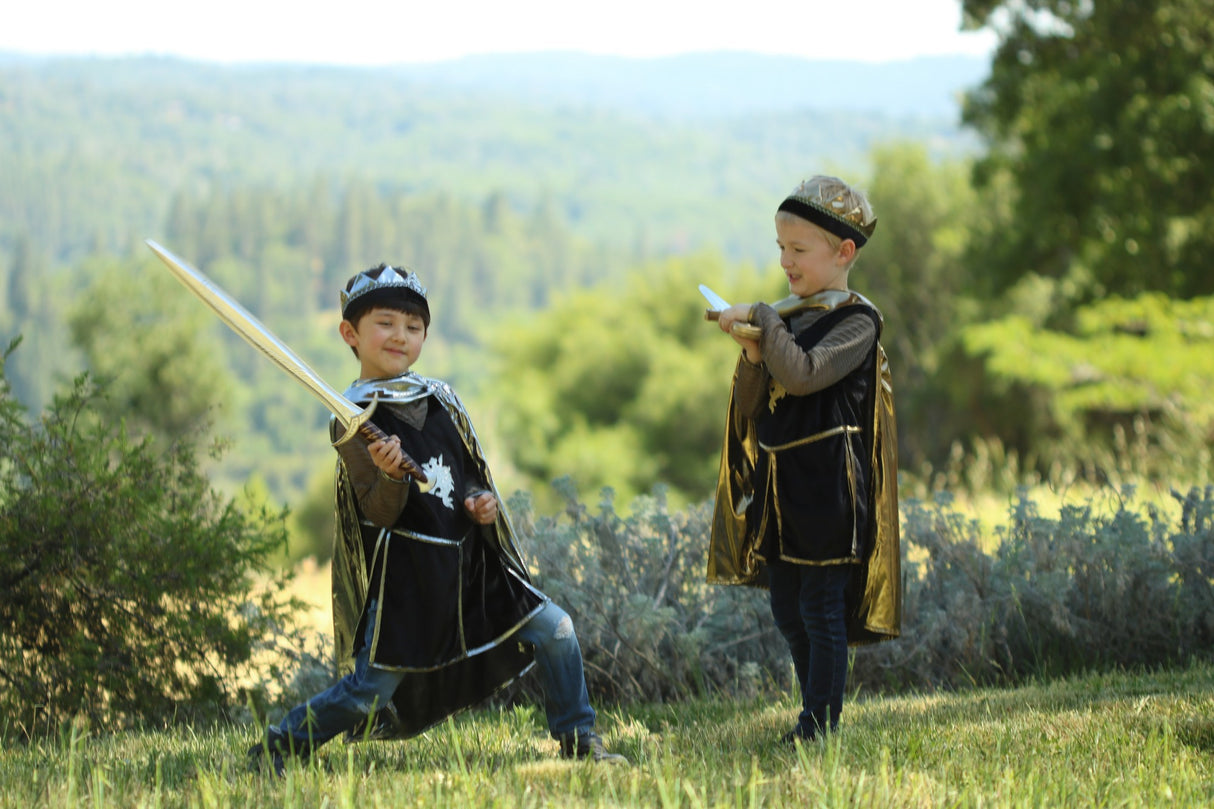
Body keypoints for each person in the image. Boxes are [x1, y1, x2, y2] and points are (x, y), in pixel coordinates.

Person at [249, 264, 626, 775]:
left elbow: (468, 475)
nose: (400, 336)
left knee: (556, 629)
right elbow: (377, 512)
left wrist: (481, 503)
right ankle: (281, 745)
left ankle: (579, 739)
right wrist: (391, 476)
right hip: (407, 578)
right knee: (368, 694)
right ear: (350, 334)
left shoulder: (442, 399)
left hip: (470, 567)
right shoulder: (353, 417)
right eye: (384, 323)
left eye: (413, 326)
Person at [707, 175, 901, 744]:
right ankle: (814, 709)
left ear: (845, 252)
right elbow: (752, 405)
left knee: (821, 607)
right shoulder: (789, 318)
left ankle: (819, 724)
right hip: (783, 490)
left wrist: (765, 321)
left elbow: (803, 374)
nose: (786, 262)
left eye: (799, 250)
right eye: (780, 249)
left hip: (829, 493)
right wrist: (751, 354)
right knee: (789, 609)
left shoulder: (856, 322)